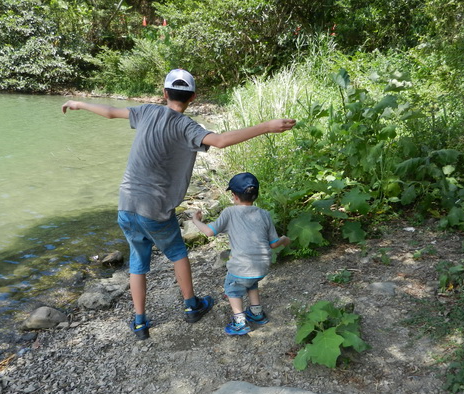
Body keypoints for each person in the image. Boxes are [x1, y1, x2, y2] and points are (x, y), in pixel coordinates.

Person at [62, 69, 296, 340]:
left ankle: (140, 322)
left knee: (137, 263)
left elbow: (111, 112)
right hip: (156, 209)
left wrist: (79, 103)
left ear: (164, 94)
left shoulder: (147, 112)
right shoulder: (187, 127)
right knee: (178, 253)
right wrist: (267, 126)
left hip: (126, 204)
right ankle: (191, 305)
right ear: (193, 98)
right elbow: (219, 141)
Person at [191, 172, 291, 335]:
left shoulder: (229, 212)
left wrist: (196, 221)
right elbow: (273, 244)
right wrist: (284, 239)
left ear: (234, 196)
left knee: (232, 288)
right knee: (250, 281)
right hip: (261, 268)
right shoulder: (264, 214)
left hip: (240, 268)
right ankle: (257, 313)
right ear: (256, 195)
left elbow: (209, 232)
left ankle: (240, 321)